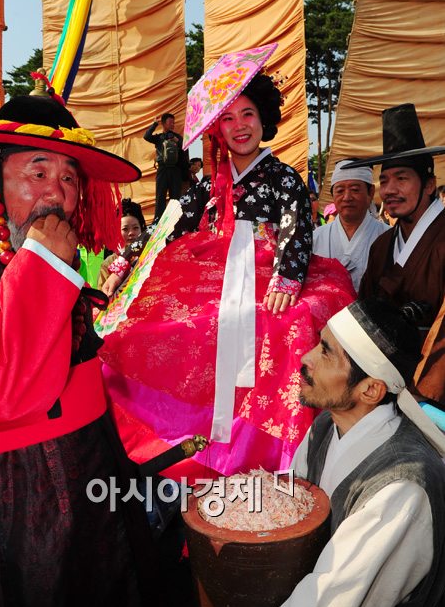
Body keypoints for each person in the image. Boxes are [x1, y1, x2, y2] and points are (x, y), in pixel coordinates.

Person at [0, 94, 173, 607]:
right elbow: (1, 391)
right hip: (5, 501)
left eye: (68, 177)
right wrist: (40, 265)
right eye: (36, 171)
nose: (56, 192)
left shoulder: (59, 259)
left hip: (92, 475)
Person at [102, 56, 355, 479]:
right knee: (153, 325)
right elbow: (166, 227)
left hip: (266, 268)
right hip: (213, 273)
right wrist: (125, 261)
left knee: (287, 324)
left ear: (264, 119)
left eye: (248, 114)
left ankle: (268, 446)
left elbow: (297, 229)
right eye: (229, 118)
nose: (240, 125)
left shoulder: (285, 178)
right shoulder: (207, 185)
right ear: (217, 129)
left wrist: (287, 276)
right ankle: (185, 437)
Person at [245, 297, 445, 607]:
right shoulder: (326, 426)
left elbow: (328, 605)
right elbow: (291, 515)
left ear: (370, 389)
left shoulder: (401, 487)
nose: (306, 358)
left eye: (326, 352)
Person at [355, 104, 445, 403]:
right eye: (384, 181)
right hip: (384, 381)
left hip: (434, 387)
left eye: (402, 178)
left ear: (429, 184)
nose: (390, 189)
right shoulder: (382, 246)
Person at [313, 160, 389, 292]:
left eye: (355, 190)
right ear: (333, 195)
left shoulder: (389, 237)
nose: (347, 197)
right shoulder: (315, 238)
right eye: (340, 190)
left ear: (370, 192)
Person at [98, 198, 146, 290]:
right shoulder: (108, 263)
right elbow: (102, 297)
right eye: (125, 229)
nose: (131, 233)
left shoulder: (150, 255)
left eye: (135, 228)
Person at [144, 112, 184, 220]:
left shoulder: (177, 137)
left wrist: (178, 143)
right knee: (160, 195)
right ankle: (158, 220)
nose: (172, 125)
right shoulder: (159, 138)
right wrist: (154, 124)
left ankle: (175, 220)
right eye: (170, 122)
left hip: (175, 170)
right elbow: (146, 136)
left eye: (173, 123)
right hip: (162, 169)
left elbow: (184, 148)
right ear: (163, 123)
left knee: (175, 197)